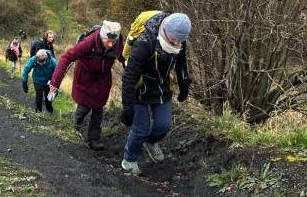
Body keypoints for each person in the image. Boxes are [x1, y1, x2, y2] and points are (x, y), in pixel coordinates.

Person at [119, 12, 192, 176]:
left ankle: (151, 143)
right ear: (165, 31)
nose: (177, 43)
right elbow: (129, 75)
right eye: (174, 40)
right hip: (140, 87)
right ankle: (129, 160)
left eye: (180, 41)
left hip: (161, 87)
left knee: (164, 125)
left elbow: (181, 64)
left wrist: (184, 86)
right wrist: (128, 107)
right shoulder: (145, 42)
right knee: (140, 129)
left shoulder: (179, 41)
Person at [49, 21, 124, 150]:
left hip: (103, 79)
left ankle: (93, 139)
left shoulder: (117, 44)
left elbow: (125, 58)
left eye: (113, 42)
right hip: (85, 77)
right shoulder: (89, 42)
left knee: (98, 108)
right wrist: (55, 82)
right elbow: (66, 58)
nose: (111, 45)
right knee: (84, 107)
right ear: (101, 37)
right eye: (108, 41)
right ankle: (74, 127)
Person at [21, 49, 58, 113]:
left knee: (48, 97)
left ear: (46, 58)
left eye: (42, 62)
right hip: (37, 80)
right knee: (39, 96)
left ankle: (49, 110)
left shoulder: (53, 61)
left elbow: (58, 73)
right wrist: (24, 82)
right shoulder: (33, 59)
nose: (41, 64)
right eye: (39, 62)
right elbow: (25, 70)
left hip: (48, 81)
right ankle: (38, 111)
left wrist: (56, 85)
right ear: (37, 58)